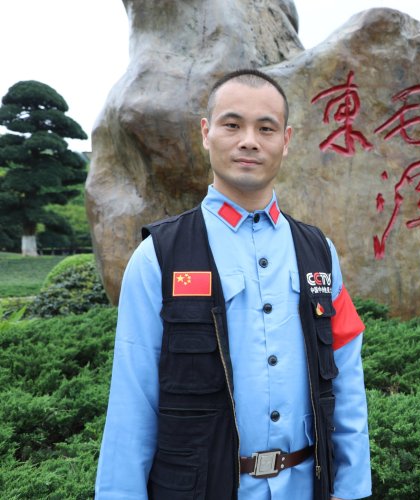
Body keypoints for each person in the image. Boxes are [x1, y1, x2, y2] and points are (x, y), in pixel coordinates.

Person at [95, 69, 371, 499]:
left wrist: (352, 488)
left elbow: (347, 377)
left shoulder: (319, 253)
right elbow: (133, 399)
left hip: (305, 486)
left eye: (266, 128)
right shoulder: (159, 258)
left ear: (286, 140)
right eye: (232, 124)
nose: (249, 141)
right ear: (206, 133)